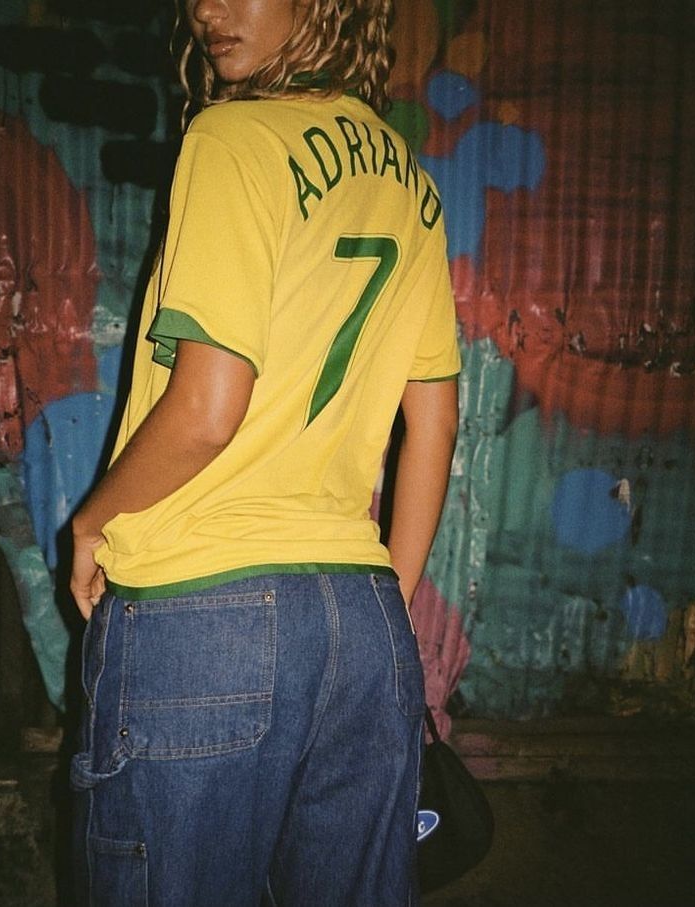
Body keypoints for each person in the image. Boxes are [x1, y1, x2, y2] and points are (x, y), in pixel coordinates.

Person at [69, 1, 460, 904]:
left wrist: (91, 519)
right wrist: (382, 606)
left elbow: (207, 410)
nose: (207, 9)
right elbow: (433, 423)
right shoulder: (411, 182)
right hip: (361, 621)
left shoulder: (233, 138)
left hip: (200, 610)